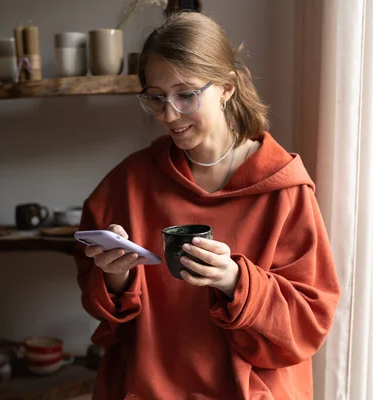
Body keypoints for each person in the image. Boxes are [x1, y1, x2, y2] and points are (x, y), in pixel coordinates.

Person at [75, 11, 340, 400]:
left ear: (227, 88)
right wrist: (116, 276)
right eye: (156, 97)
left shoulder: (283, 190)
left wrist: (233, 280)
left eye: (186, 95)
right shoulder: (127, 183)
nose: (169, 115)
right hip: (147, 388)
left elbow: (308, 322)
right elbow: (99, 299)